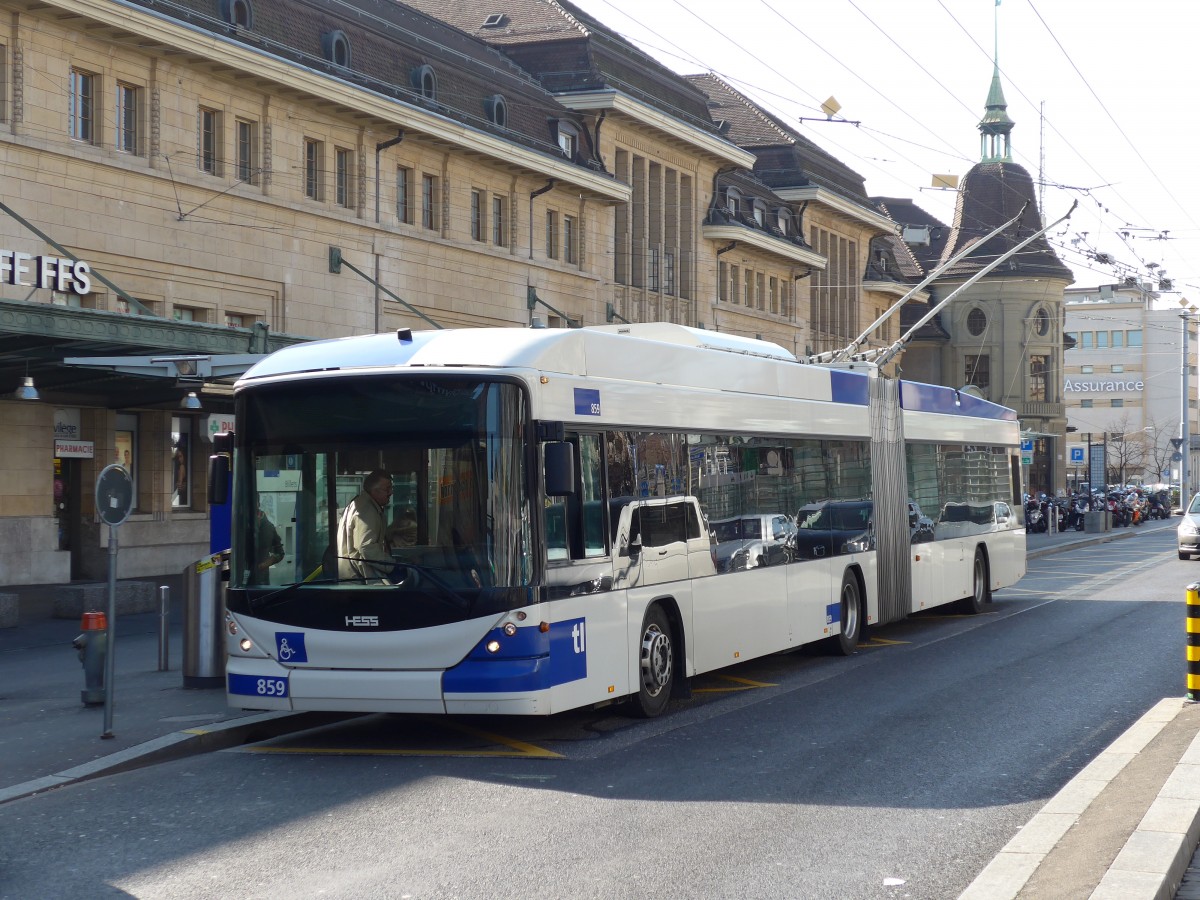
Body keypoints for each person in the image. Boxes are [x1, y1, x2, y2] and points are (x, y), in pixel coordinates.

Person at [337, 470, 395, 582]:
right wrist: (392, 565)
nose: (391, 492)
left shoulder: (360, 504)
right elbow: (366, 548)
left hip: (353, 578)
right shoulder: (367, 511)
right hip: (360, 581)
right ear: (374, 491)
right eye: (387, 489)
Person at [252, 505, 284, 584]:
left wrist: (265, 564)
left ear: (258, 504)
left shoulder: (269, 527)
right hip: (240, 580)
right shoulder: (240, 525)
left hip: (261, 580)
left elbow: (280, 553)